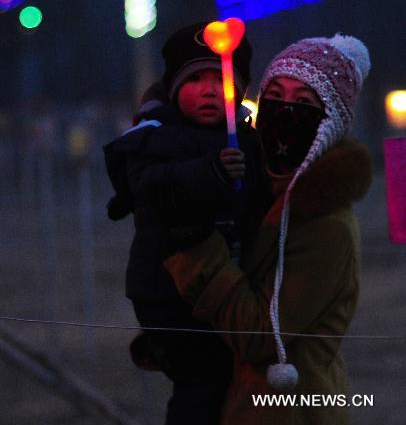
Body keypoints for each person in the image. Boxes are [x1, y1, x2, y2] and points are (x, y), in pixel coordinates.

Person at [164, 33, 373, 424]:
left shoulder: (326, 224)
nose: (284, 110)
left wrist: (197, 248)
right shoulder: (263, 194)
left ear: (329, 122)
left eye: (304, 103)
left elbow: (261, 335)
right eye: (274, 94)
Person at [103, 21, 266, 424]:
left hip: (230, 287)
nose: (210, 90)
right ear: (175, 88)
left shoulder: (247, 140)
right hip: (171, 295)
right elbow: (150, 187)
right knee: (200, 387)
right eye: (196, 79)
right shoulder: (155, 137)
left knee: (236, 388)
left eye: (221, 79)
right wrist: (209, 172)